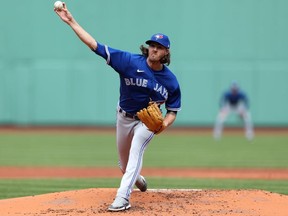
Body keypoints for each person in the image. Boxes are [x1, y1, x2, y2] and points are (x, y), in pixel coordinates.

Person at [54, 3, 181, 212]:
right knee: (124, 165)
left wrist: (163, 125)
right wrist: (71, 21)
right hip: (123, 117)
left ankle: (122, 198)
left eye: (158, 47)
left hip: (146, 123)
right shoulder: (129, 61)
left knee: (136, 150)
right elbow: (94, 45)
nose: (154, 49)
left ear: (166, 52)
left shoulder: (170, 81)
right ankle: (137, 179)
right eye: (151, 45)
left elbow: (173, 110)